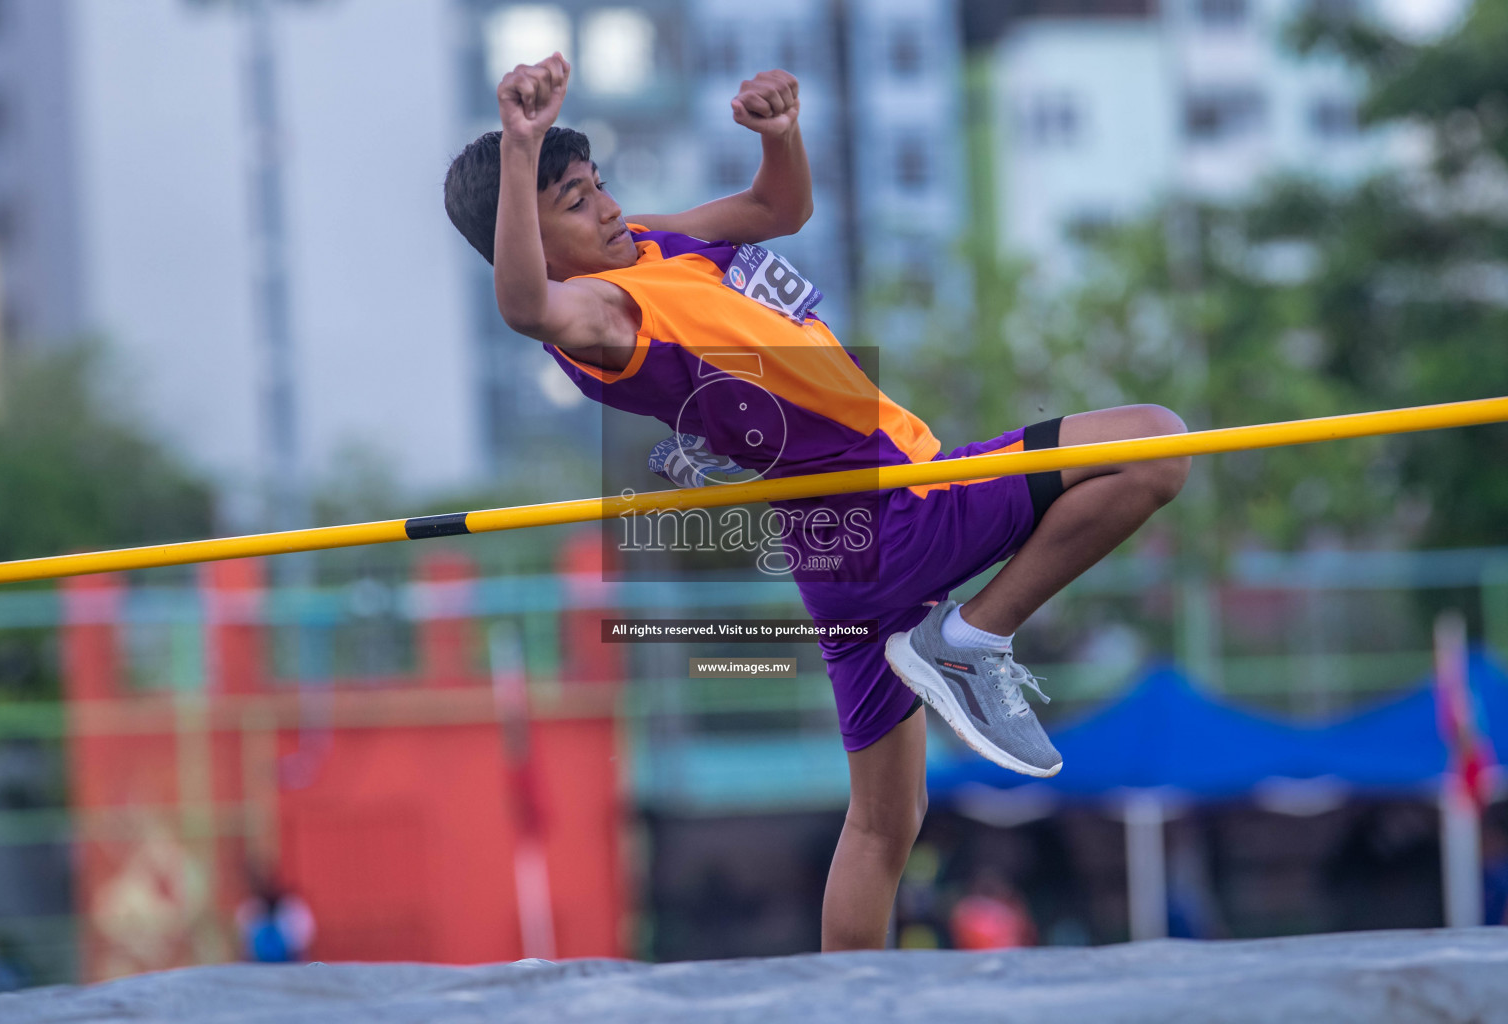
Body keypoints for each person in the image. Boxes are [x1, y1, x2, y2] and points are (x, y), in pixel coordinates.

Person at [443, 54, 1189, 951]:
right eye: (573, 203)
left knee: (883, 826)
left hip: (841, 553)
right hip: (893, 514)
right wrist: (519, 150)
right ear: (523, 238)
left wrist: (780, 138)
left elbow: (777, 211)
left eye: (598, 186)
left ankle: (846, 1006)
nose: (604, 208)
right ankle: (970, 639)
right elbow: (525, 307)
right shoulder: (601, 314)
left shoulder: (650, 241)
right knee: (1155, 443)